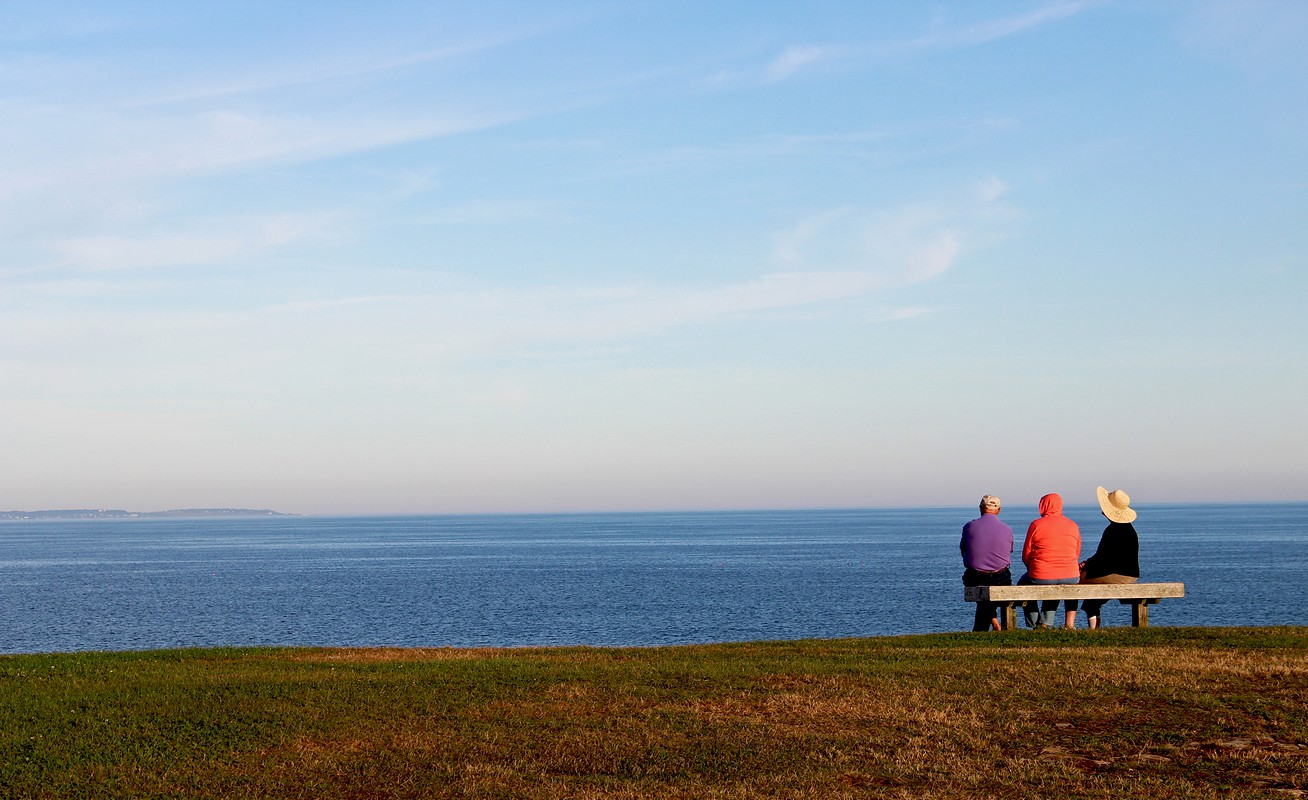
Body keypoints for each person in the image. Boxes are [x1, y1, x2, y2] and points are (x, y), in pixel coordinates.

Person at [1079, 486, 1141, 629]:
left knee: (1075, 579)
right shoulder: (1130, 530)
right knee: (1092, 601)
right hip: (1130, 575)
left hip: (1113, 574)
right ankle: (1093, 623)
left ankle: (1070, 623)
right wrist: (1089, 562)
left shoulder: (1112, 530)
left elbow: (1102, 558)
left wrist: (1085, 567)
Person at [1018, 493, 1081, 628]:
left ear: (1043, 506)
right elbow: (1076, 553)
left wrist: (1033, 568)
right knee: (1059, 582)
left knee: (1022, 585)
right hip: (1071, 575)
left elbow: (1026, 555)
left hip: (1041, 574)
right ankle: (1059, 623)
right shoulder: (1073, 525)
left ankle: (1035, 623)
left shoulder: (1036, 525)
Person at [960, 494, 1014, 631]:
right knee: (989, 592)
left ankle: (985, 626)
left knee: (982, 592)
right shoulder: (1007, 529)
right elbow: (1010, 551)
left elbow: (963, 550)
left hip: (976, 576)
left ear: (980, 508)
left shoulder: (969, 527)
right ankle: (993, 620)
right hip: (1001, 577)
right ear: (998, 510)